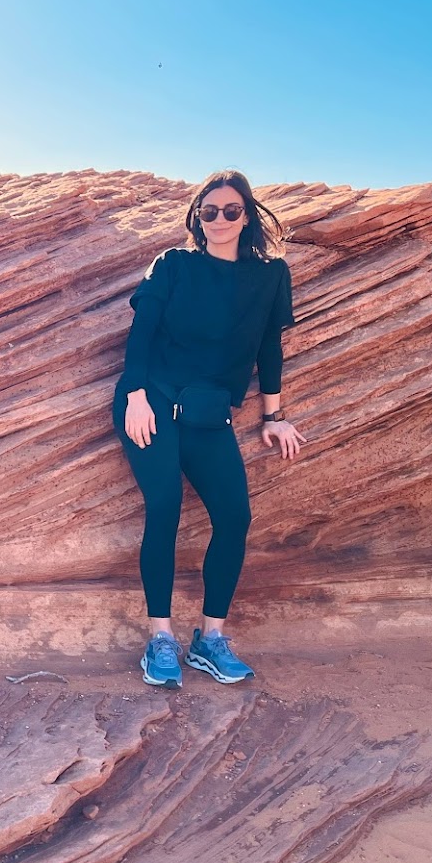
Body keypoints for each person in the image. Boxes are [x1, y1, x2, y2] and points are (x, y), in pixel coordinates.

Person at [111, 170, 306, 689]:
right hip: (150, 402)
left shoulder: (270, 275)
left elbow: (269, 349)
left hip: (209, 414)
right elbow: (142, 332)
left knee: (235, 517)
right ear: (198, 218)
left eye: (231, 210)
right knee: (166, 507)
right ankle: (160, 639)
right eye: (209, 211)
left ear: (248, 216)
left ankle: (210, 638)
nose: (219, 220)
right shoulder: (174, 265)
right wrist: (134, 397)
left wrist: (274, 415)